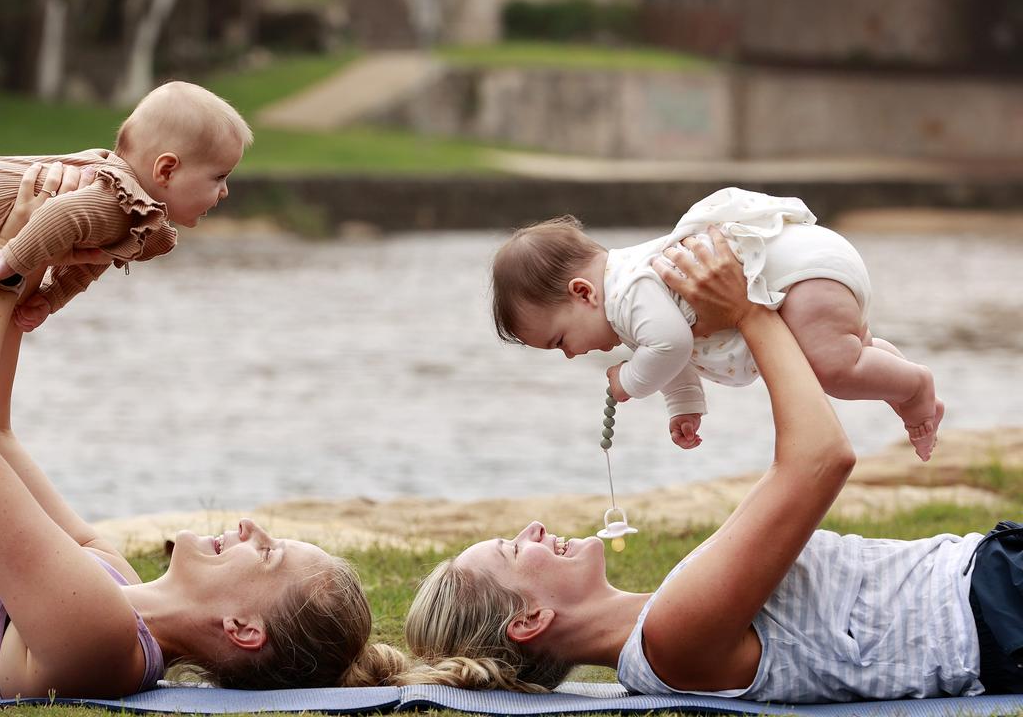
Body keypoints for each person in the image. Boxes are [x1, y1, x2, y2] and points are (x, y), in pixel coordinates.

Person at [0, 170, 391, 714]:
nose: (252, 527)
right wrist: (31, 253)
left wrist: (10, 263)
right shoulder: (107, 571)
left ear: (243, 630)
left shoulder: (103, 643)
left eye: (270, 555)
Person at [403, 232, 1021, 702]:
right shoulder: (672, 636)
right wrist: (749, 313)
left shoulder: (670, 611)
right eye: (513, 551)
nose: (531, 529)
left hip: (990, 578)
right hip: (996, 604)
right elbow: (820, 459)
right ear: (530, 621)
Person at [0, 81, 249, 426]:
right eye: (219, 177)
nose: (225, 191)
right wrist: (10, 259)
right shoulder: (110, 200)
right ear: (166, 170)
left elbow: (86, 268)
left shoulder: (131, 211)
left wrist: (49, 299)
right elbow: (60, 217)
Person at [490, 187, 942, 461]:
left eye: (560, 340)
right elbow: (675, 344)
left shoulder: (626, 290)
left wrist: (628, 382)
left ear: (582, 293)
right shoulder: (631, 296)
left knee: (829, 369)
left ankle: (914, 387)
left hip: (800, 272)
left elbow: (669, 347)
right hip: (803, 273)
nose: (570, 354)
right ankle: (898, 381)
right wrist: (683, 405)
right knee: (845, 352)